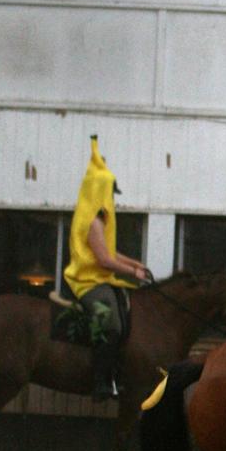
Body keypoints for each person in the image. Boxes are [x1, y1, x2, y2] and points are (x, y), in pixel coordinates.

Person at [62, 136, 150, 401]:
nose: (113, 199)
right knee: (109, 323)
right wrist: (131, 273)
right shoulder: (93, 222)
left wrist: (136, 263)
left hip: (101, 278)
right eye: (110, 193)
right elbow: (104, 260)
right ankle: (101, 382)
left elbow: (110, 252)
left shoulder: (101, 220)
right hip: (88, 282)